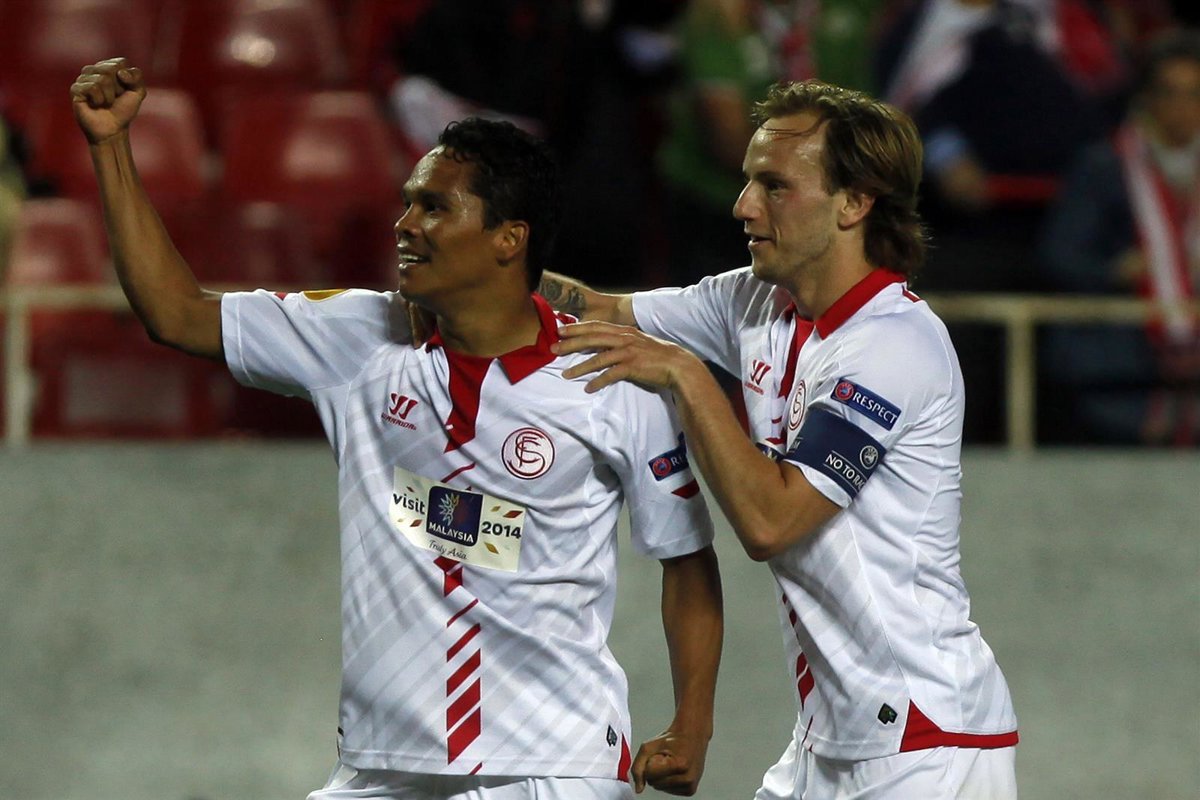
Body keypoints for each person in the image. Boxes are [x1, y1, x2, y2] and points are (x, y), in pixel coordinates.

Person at [70, 58, 723, 799]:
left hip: (550, 764)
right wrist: (110, 146)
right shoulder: (355, 339)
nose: (404, 225)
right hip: (382, 765)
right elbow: (177, 313)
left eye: (434, 207)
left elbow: (686, 559)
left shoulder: (612, 380)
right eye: (409, 203)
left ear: (509, 239)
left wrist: (693, 723)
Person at [541, 79, 1019, 798]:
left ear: (855, 203)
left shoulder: (893, 345)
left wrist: (687, 375)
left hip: (925, 744)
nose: (743, 205)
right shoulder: (755, 302)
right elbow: (601, 312)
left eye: (774, 186)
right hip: (828, 742)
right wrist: (476, 272)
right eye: (747, 181)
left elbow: (772, 521)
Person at [1039, 29, 1200, 445]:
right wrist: (1115, 270)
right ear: (1146, 98)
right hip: (1122, 364)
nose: (1182, 108)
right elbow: (1060, 255)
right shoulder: (1104, 165)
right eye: (1170, 93)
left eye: (1194, 94)